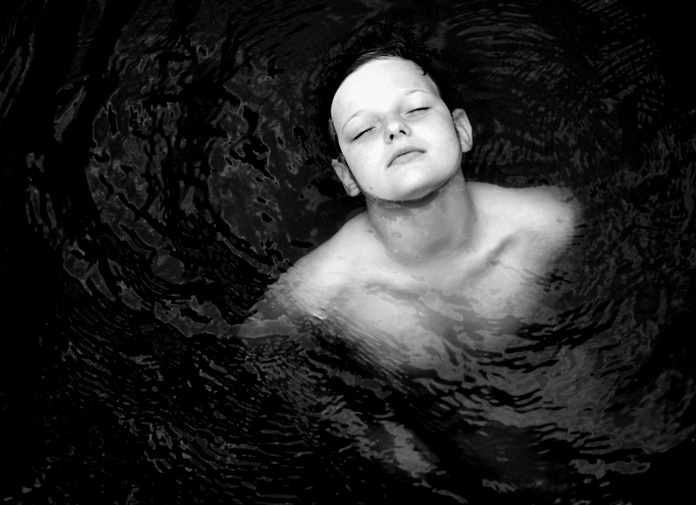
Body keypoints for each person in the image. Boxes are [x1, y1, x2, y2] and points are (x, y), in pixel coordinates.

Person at [237, 28, 581, 481]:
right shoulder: (324, 288)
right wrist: (368, 434)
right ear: (347, 175)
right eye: (364, 130)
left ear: (461, 130)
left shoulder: (548, 222)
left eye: (416, 109)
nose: (395, 129)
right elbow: (259, 349)